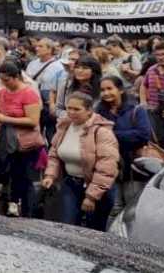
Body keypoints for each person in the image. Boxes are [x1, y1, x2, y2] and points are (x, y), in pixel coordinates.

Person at [42, 93, 119, 231]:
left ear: (89, 110)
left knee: (93, 230)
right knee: (67, 226)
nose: (71, 112)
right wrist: (50, 175)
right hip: (71, 184)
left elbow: (106, 167)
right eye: (69, 108)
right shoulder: (64, 126)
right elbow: (54, 154)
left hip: (97, 189)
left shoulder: (102, 132)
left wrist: (91, 196)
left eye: (77, 109)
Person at [97, 76, 153, 221]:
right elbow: (95, 135)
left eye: (110, 89)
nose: (106, 93)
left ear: (120, 90)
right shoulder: (99, 112)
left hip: (133, 168)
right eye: (102, 90)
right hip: (109, 166)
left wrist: (111, 135)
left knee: (132, 209)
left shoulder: (136, 110)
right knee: (113, 209)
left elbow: (142, 135)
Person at [0, 61, 43, 218]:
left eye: (7, 79)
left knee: (25, 179)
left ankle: (28, 212)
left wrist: (5, 119)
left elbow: (33, 121)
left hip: (26, 144)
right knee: (9, 176)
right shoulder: (2, 92)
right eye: (1, 79)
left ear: (16, 77)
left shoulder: (29, 93)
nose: (4, 83)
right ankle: (12, 206)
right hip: (7, 141)